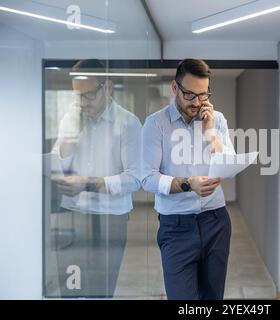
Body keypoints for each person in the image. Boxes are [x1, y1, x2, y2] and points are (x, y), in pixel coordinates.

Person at [142, 59, 235, 300]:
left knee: (212, 299)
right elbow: (147, 178)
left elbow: (230, 165)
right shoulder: (155, 124)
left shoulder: (218, 120)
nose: (196, 103)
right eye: (189, 95)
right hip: (176, 227)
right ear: (175, 88)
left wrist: (211, 134)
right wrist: (188, 184)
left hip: (216, 221)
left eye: (203, 95)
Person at [51, 59, 142, 298]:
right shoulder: (71, 118)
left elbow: (135, 178)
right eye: (77, 96)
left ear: (107, 88)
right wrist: (71, 135)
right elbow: (57, 164)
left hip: (110, 218)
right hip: (72, 214)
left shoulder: (128, 123)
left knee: (98, 293)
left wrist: (89, 183)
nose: (82, 103)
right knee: (69, 291)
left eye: (88, 95)